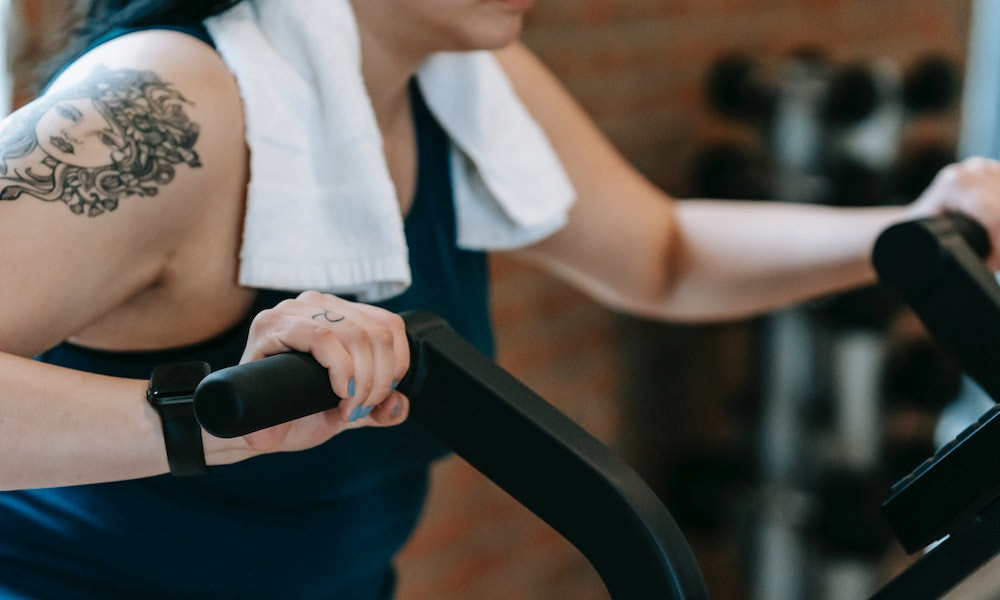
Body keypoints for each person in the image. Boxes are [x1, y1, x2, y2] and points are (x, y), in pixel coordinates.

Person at [0, 0, 999, 597]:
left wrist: (916, 227)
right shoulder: (162, 105)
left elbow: (660, 252)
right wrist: (216, 421)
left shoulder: (451, 66)